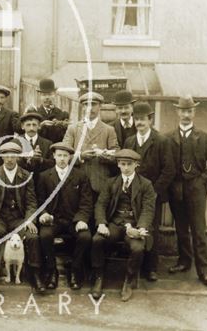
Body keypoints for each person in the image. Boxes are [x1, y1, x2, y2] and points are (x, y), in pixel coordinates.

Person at [166, 96, 207, 287]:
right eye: (183, 111)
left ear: (194, 113)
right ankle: (184, 262)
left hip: (196, 190)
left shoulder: (205, 137)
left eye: (189, 111)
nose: (186, 114)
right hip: (176, 190)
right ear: (177, 112)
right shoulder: (169, 138)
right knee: (181, 229)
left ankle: (204, 270)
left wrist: (200, 182)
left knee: (198, 231)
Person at [90, 149, 156, 302]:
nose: (125, 168)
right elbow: (100, 204)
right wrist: (101, 223)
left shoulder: (146, 184)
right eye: (122, 164)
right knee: (97, 240)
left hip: (134, 224)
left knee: (137, 247)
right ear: (118, 165)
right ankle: (99, 277)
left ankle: (129, 280)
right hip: (115, 223)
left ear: (136, 165)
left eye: (129, 164)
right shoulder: (111, 182)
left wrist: (141, 227)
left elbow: (148, 208)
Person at [123, 101, 175, 281]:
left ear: (150, 120)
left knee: (151, 229)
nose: (139, 122)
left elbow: (169, 170)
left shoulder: (161, 141)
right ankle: (135, 265)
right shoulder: (129, 141)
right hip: (132, 194)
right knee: (134, 226)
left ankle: (151, 267)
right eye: (136, 119)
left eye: (142, 119)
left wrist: (154, 192)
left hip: (153, 195)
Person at [0, 141, 44, 294]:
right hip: (0, 219)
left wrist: (29, 220)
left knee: (33, 236)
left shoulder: (26, 176)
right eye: (6, 156)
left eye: (13, 156)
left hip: (19, 219)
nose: (9, 159)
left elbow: (32, 202)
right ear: (1, 157)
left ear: (18, 157)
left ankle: (35, 274)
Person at [37, 142, 93, 290]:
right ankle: (51, 270)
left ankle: (75, 269)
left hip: (73, 220)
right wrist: (43, 214)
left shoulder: (80, 176)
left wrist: (81, 219)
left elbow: (86, 202)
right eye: (59, 155)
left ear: (70, 157)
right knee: (44, 235)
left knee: (85, 236)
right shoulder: (44, 176)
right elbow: (40, 201)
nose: (62, 159)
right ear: (54, 156)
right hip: (53, 220)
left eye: (65, 156)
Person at [63, 92, 119, 195]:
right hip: (77, 184)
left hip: (100, 183)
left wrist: (104, 154)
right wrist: (80, 156)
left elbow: (117, 156)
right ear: (82, 107)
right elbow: (63, 156)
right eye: (86, 105)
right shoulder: (73, 129)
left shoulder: (109, 130)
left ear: (100, 106)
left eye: (93, 104)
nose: (90, 108)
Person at [18, 111, 54, 180]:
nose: (31, 128)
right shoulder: (15, 142)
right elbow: (10, 162)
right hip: (21, 181)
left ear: (39, 126)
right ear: (22, 126)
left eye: (34, 125)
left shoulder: (48, 144)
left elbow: (52, 164)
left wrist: (41, 160)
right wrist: (25, 158)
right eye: (28, 125)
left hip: (41, 183)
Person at [36, 78, 69, 144]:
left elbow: (65, 137)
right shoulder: (34, 114)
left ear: (55, 95)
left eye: (50, 94)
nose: (47, 97)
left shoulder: (63, 115)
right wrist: (41, 126)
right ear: (39, 96)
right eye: (44, 95)